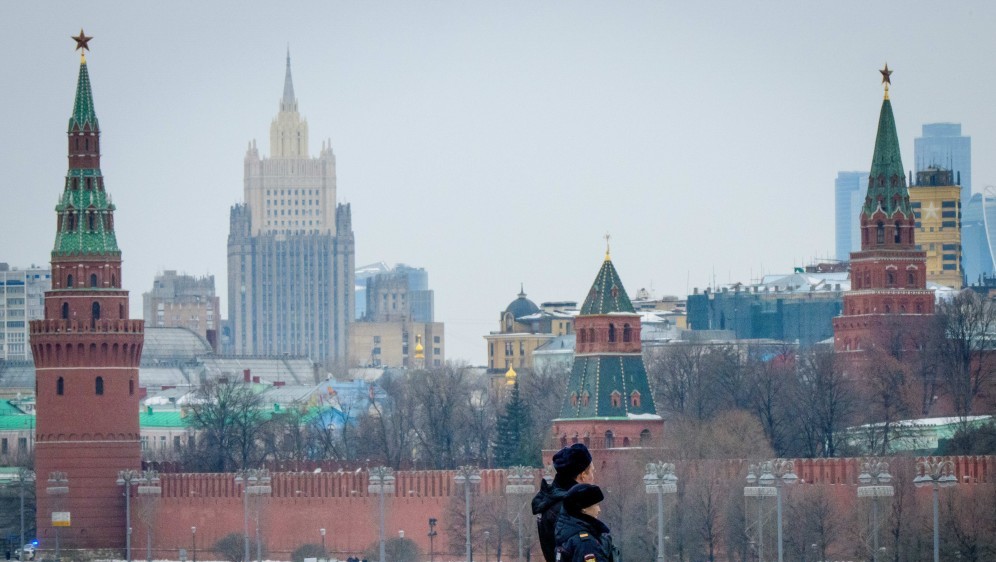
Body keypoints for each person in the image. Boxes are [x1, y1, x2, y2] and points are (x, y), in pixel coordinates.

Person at [531, 443, 594, 562]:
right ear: (582, 475)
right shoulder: (567, 507)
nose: (593, 478)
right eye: (592, 472)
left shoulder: (553, 501)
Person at [555, 483, 614, 562]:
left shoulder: (567, 532)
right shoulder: (586, 543)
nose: (599, 510)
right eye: (596, 505)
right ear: (583, 509)